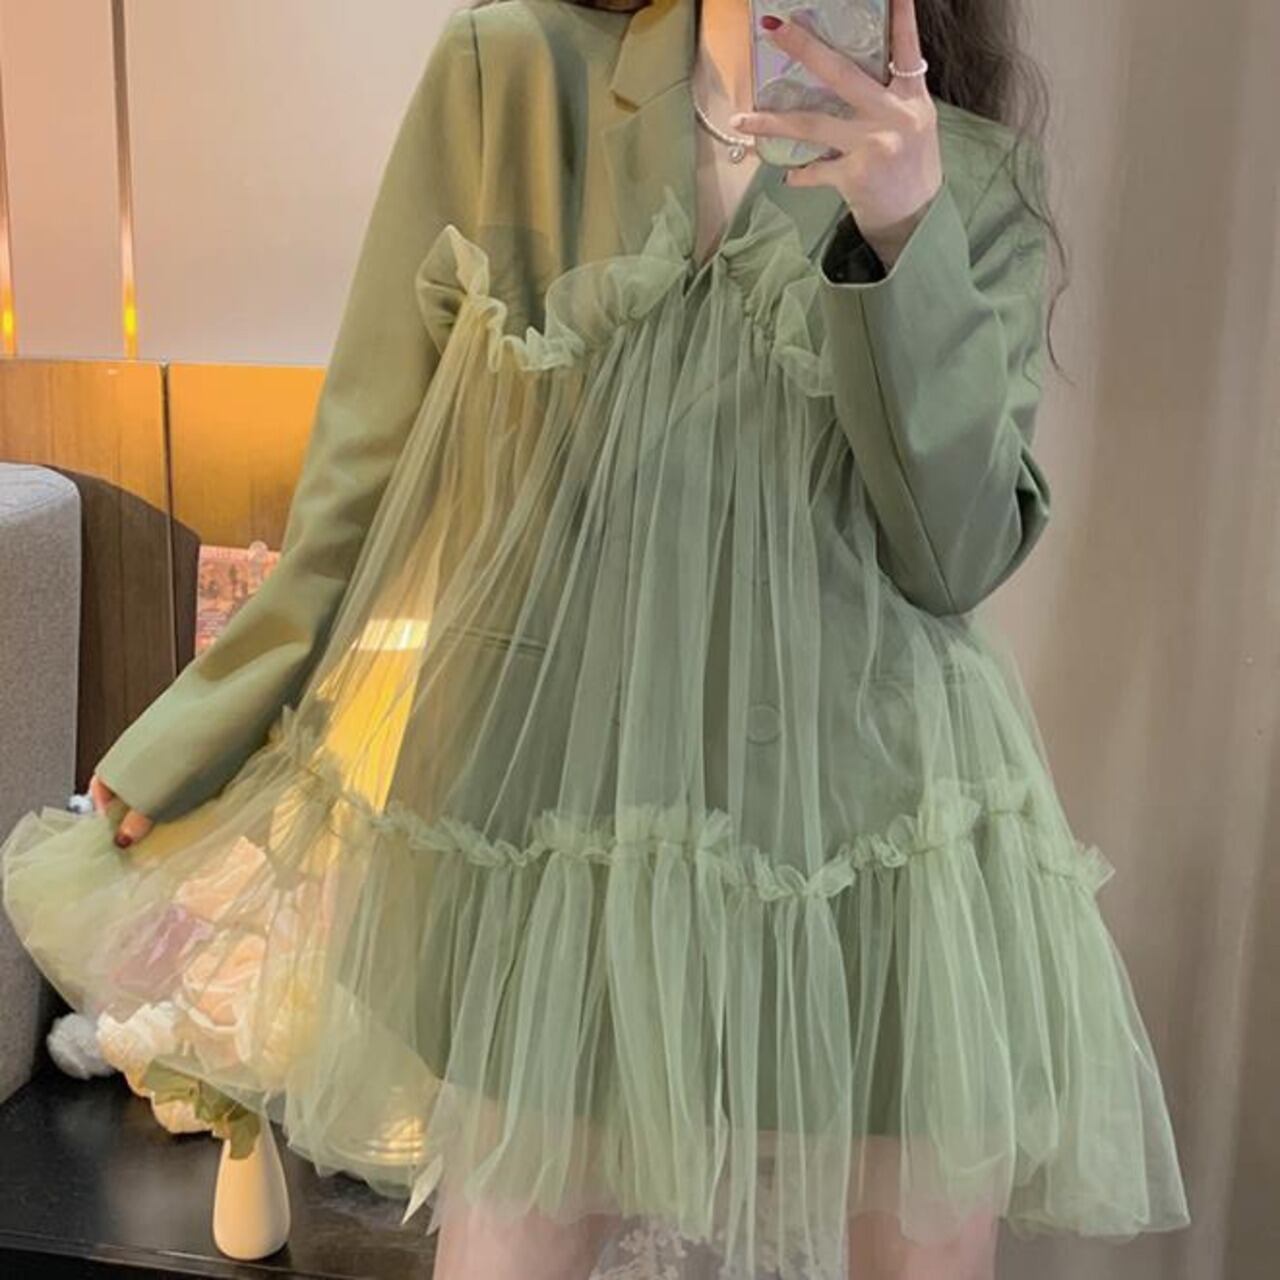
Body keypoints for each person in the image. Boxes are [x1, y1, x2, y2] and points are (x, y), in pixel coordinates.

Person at [0, 1, 1191, 1277]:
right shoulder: (509, 79)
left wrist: (907, 233)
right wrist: (215, 713)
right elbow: (366, 454)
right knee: (508, 1238)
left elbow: (950, 558)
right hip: (558, 815)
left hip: (870, 843)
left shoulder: (970, 177)